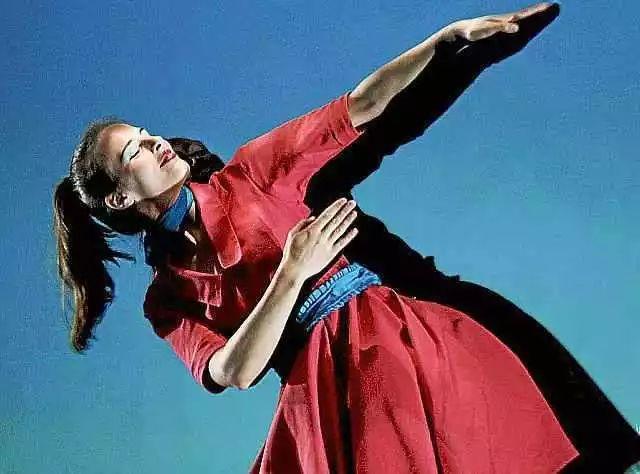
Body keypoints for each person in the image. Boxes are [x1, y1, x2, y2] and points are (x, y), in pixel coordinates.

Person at [51, 2, 631, 472]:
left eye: (147, 132)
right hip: (319, 397)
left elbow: (361, 105)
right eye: (134, 151)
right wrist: (292, 272)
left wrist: (444, 40)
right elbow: (233, 372)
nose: (155, 142)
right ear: (118, 198)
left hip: (391, 341)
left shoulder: (252, 172)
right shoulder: (167, 299)